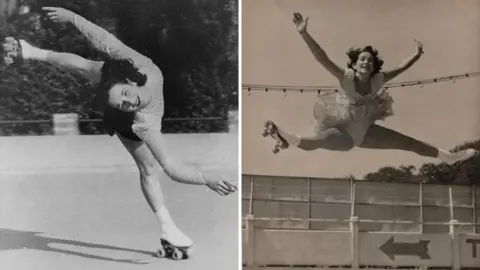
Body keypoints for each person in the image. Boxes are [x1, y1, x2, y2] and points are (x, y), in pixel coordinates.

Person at [3, 7, 237, 252]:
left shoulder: (141, 67)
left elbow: (100, 37)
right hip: (123, 118)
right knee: (148, 168)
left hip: (119, 81)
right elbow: (171, 167)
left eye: (126, 94)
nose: (130, 102)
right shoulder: (139, 120)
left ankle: (30, 51)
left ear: (130, 82)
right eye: (123, 104)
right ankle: (168, 227)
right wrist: (207, 179)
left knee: (88, 67)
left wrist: (73, 18)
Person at [264, 12, 477, 165]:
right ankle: (287, 138)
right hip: (343, 130)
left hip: (365, 130)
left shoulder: (377, 80)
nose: (365, 63)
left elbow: (401, 68)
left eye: (369, 61)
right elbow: (322, 57)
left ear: (374, 67)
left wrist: (417, 55)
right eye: (362, 60)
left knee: (408, 143)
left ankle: (449, 157)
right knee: (320, 141)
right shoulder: (346, 78)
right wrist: (304, 34)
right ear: (354, 65)